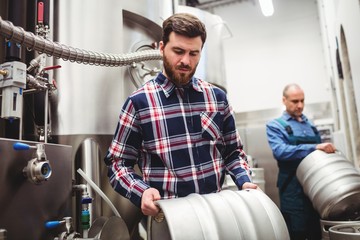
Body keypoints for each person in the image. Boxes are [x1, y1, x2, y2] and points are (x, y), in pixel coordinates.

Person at [104, 13, 258, 217]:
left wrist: (244, 179)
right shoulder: (139, 103)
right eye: (178, 51)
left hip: (216, 213)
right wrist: (142, 192)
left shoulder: (217, 98)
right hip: (169, 218)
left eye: (193, 53)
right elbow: (118, 164)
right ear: (161, 48)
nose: (185, 60)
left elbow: (232, 153)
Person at [266, 83, 336, 240]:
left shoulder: (309, 124)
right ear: (284, 100)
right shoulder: (275, 125)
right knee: (297, 231)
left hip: (316, 189)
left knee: (317, 231)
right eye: (295, 101)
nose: (300, 105)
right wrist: (315, 147)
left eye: (302, 101)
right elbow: (280, 151)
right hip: (293, 191)